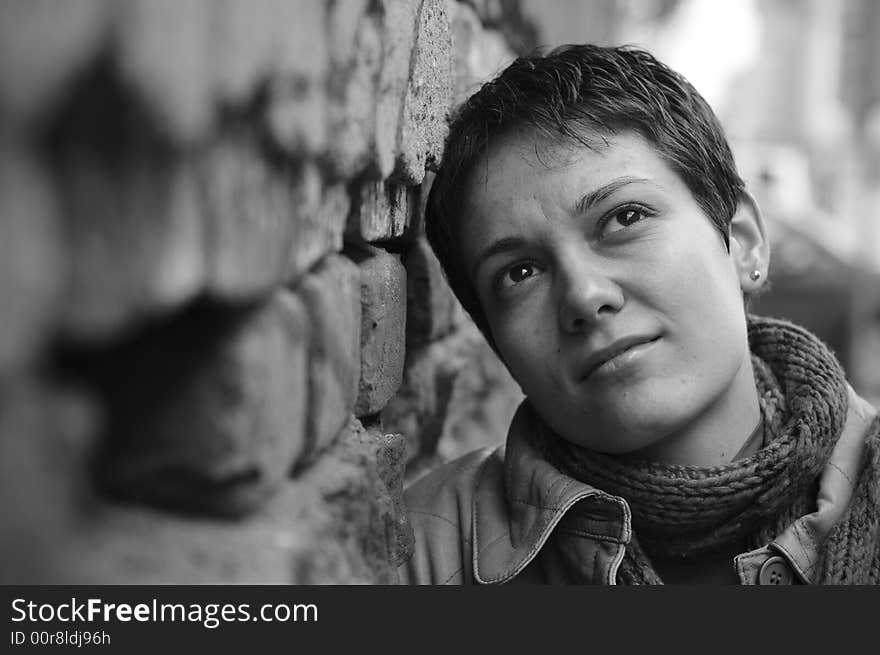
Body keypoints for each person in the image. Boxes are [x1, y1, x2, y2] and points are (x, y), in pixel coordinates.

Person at [398, 44, 880, 585]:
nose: (583, 295)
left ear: (742, 243)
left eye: (625, 217)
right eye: (520, 273)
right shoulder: (417, 559)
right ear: (495, 338)